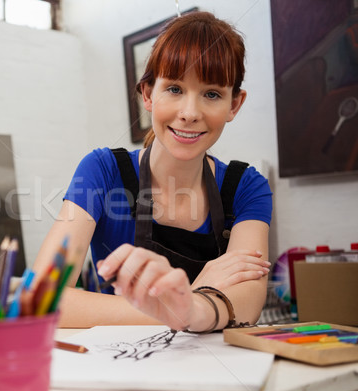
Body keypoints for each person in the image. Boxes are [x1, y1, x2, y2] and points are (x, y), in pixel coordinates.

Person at [32, 11, 273, 332]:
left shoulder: (246, 186)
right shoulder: (103, 171)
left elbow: (248, 302)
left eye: (212, 94)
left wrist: (191, 306)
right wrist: (186, 305)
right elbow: (42, 300)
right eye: (174, 88)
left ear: (234, 105)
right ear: (147, 94)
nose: (189, 113)